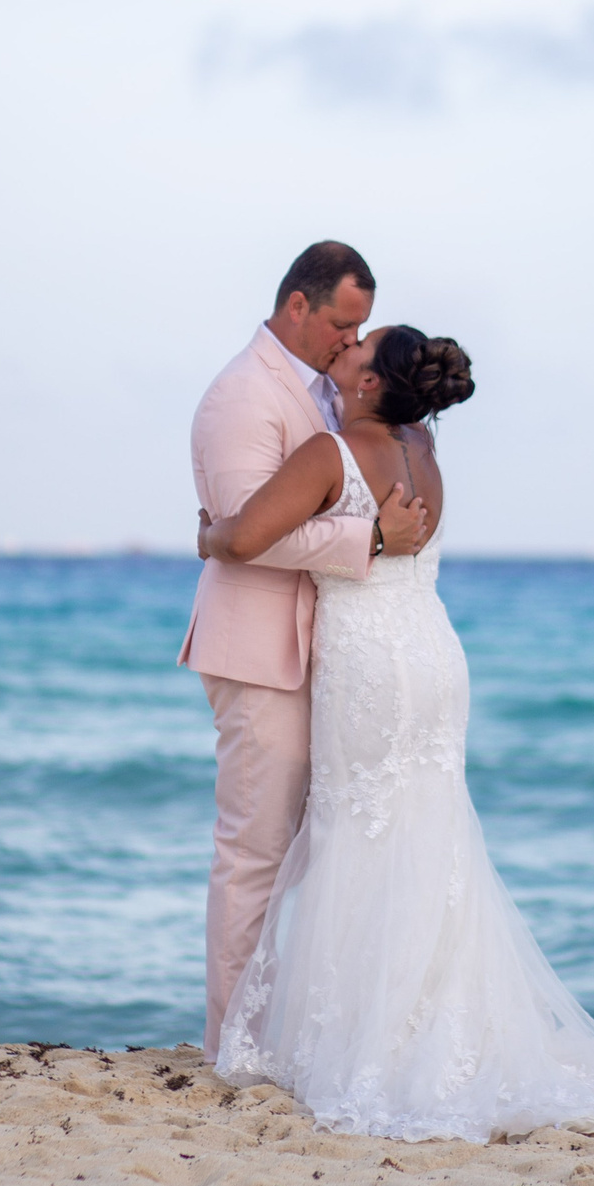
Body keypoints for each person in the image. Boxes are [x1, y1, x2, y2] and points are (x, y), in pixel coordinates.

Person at [195, 323, 594, 1143]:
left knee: (360, 837)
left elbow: (245, 537)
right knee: (430, 837)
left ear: (371, 383)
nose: (349, 347)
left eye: (363, 346)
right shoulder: (421, 447)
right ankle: (439, 1031)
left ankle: (369, 1043)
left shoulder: (329, 452)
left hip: (372, 666)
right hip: (434, 655)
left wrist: (208, 532)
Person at [179, 242, 432, 1054]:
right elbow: (252, 534)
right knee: (254, 854)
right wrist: (373, 541)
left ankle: (306, 1033)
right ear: (298, 305)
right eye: (341, 325)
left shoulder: (335, 391)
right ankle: (234, 1045)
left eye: (361, 330)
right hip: (259, 649)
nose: (350, 342)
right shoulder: (240, 397)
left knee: (331, 852)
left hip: (337, 655)